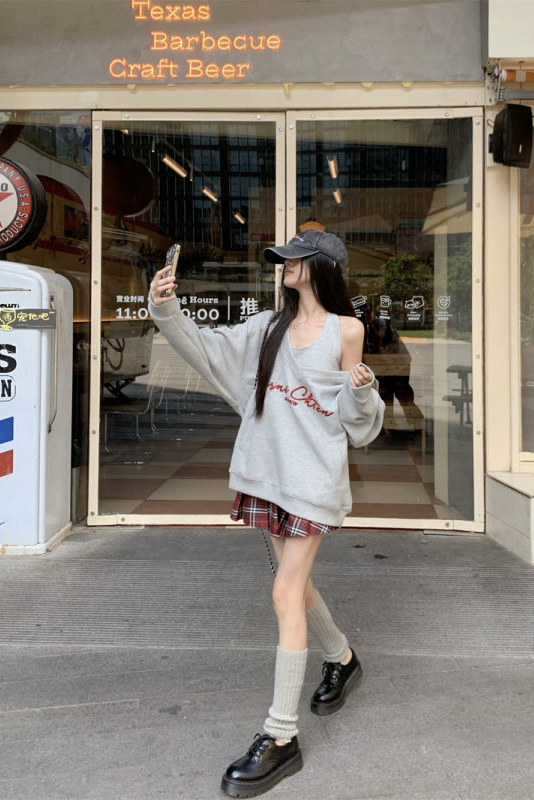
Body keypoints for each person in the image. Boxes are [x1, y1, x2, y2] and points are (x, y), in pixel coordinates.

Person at [148, 230, 385, 798]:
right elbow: (205, 348)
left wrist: (362, 390)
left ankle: (281, 736)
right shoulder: (265, 328)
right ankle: (343, 659)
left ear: (323, 266)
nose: (285, 266)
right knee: (296, 587)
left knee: (284, 593)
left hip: (312, 481)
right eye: (284, 259)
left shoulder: (346, 330)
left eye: (295, 259)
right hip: (267, 476)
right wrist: (165, 308)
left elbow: (356, 423)